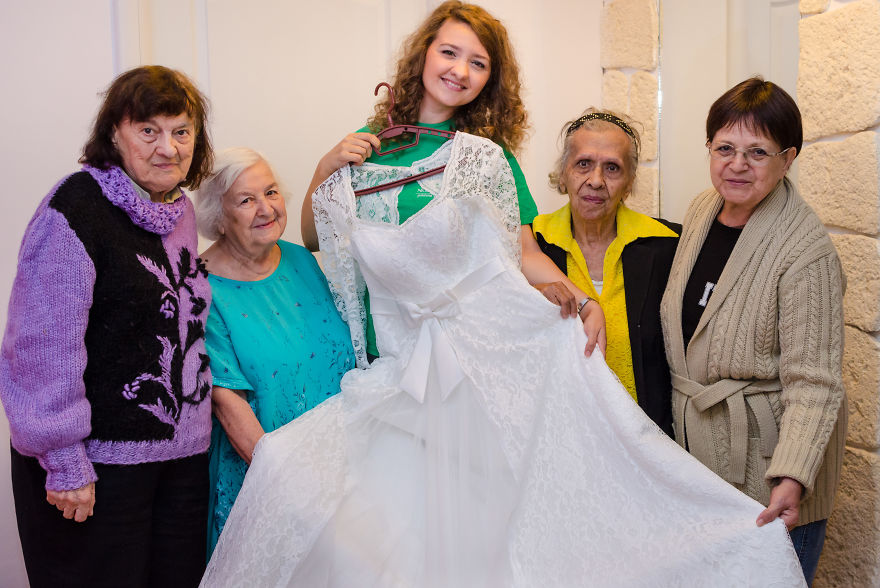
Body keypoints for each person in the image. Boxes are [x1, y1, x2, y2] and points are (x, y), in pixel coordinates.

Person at [300, 0, 605, 365]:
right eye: (449, 52)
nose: (460, 71)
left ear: (489, 80)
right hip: (380, 351)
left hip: (461, 351)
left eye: (478, 63)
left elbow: (522, 251)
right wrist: (324, 170)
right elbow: (314, 238)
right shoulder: (366, 146)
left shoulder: (488, 158)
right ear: (424, 54)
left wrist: (586, 303)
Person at [1, 65, 214, 587]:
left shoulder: (179, 211)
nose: (168, 147)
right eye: (149, 130)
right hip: (96, 469)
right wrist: (63, 459)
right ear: (114, 133)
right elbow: (41, 345)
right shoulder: (76, 207)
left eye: (181, 131)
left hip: (180, 463)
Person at [660, 77, 846, 586]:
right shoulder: (703, 209)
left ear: (788, 159)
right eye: (725, 148)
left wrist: (793, 475)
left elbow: (816, 381)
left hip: (769, 471)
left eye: (757, 152)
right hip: (700, 457)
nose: (737, 165)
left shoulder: (805, 251)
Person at [194, 148, 355, 556]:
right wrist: (291, 489)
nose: (265, 209)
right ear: (219, 218)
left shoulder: (301, 259)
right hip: (270, 480)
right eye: (246, 200)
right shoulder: (200, 287)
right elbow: (228, 405)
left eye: (271, 192)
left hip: (342, 466)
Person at [533, 109, 679, 435]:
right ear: (563, 172)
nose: (596, 180)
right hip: (559, 438)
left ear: (629, 183)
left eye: (612, 168)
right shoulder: (533, 245)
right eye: (583, 163)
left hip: (647, 441)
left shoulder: (667, 246)